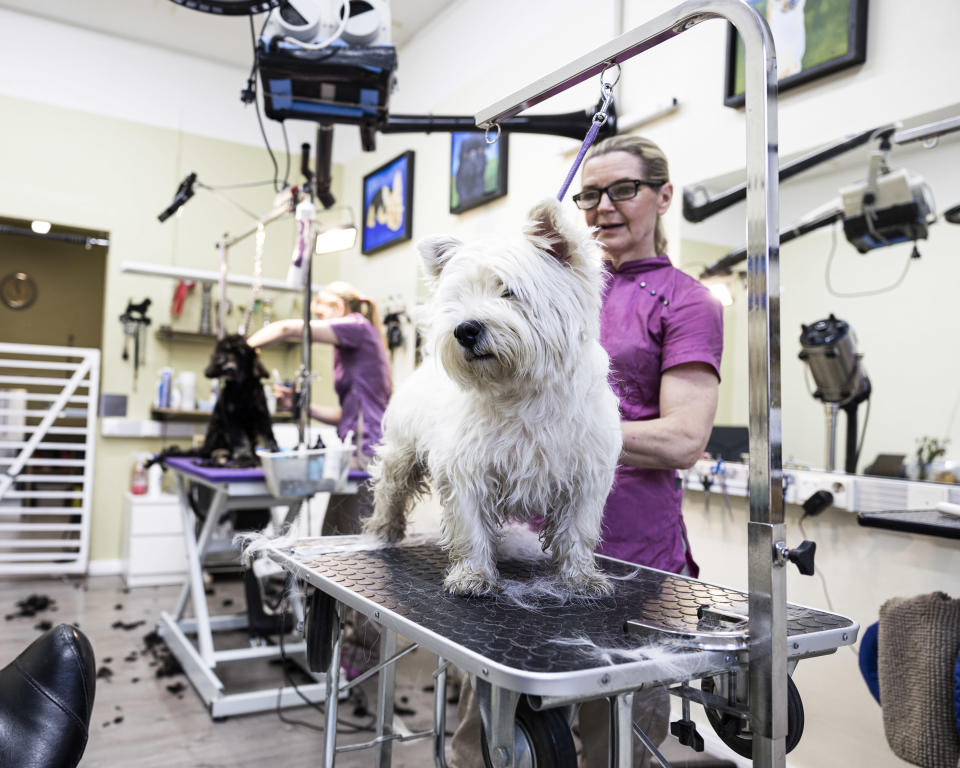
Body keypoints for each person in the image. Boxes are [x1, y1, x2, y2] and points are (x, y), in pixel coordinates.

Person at [449, 135, 723, 767]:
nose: (602, 207)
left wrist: (560, 436)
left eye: (622, 190)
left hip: (632, 563)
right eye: (590, 194)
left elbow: (684, 438)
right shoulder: (539, 278)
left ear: (663, 196)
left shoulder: (684, 300)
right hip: (517, 549)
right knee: (486, 741)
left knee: (619, 747)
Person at [246, 280, 392, 534]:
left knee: (353, 545)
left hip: (367, 455)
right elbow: (345, 416)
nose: (318, 321)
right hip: (356, 453)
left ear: (338, 306)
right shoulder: (354, 343)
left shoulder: (356, 326)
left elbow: (286, 328)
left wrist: (242, 349)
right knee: (331, 536)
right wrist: (300, 405)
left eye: (320, 314)